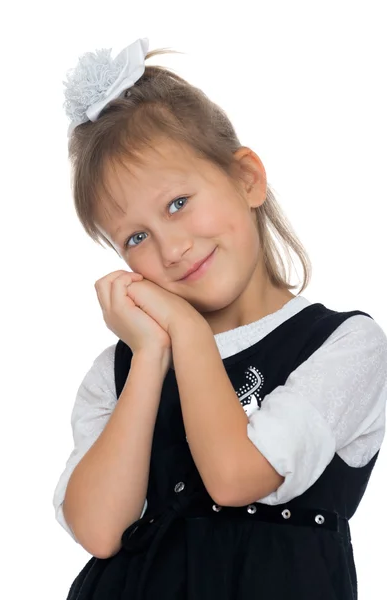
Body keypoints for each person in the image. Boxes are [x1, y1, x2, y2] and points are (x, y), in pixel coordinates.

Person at [53, 37, 387, 600]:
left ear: (247, 178)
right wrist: (150, 357)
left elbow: (236, 477)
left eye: (178, 203)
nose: (173, 247)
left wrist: (186, 332)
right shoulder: (120, 368)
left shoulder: (345, 345)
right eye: (136, 237)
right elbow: (99, 530)